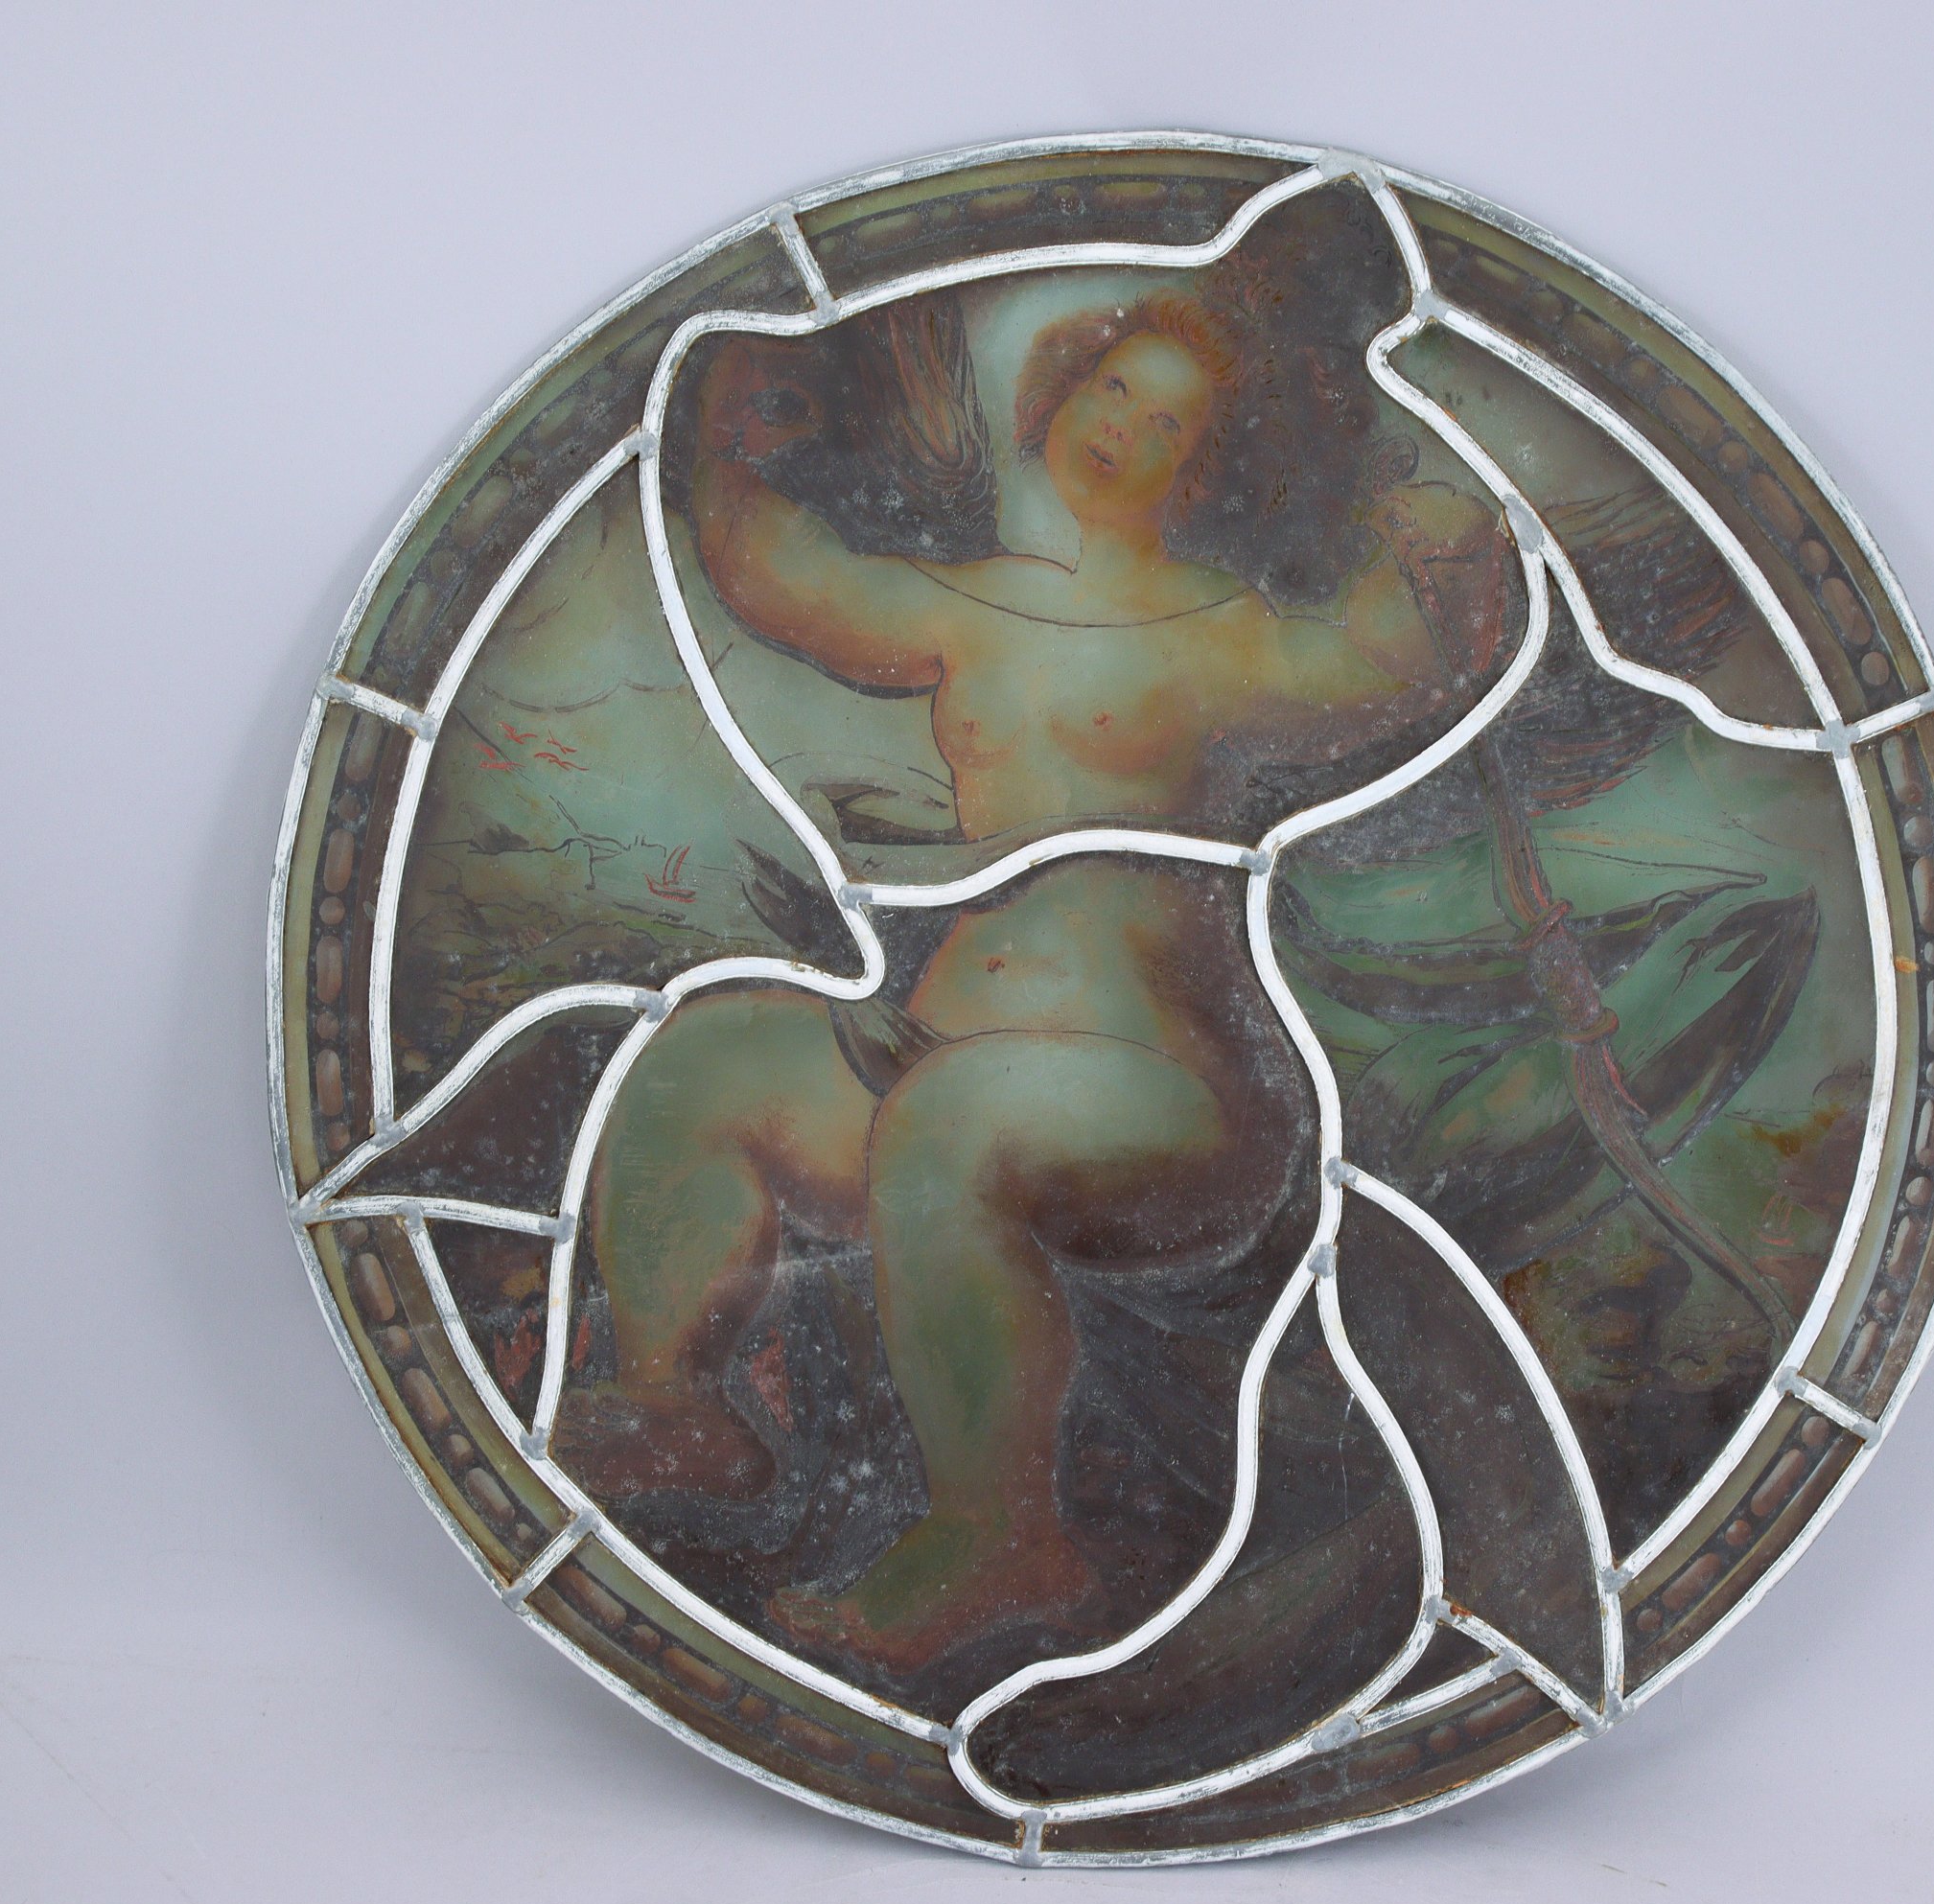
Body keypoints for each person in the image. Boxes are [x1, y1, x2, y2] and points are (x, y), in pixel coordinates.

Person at [565, 277, 1504, 1670]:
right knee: (708, 1057)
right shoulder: (977, 608)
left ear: (1206, 471)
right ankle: (673, 1404)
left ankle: (1002, 1538)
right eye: (1112, 388)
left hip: (1165, 1101)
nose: (1123, 428)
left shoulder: (1226, 635)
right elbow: (780, 576)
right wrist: (722, 424)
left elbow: (1403, 660)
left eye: (1170, 423)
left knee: (954, 1123)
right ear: (1057, 398)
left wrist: (1452, 543)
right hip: (939, 1060)